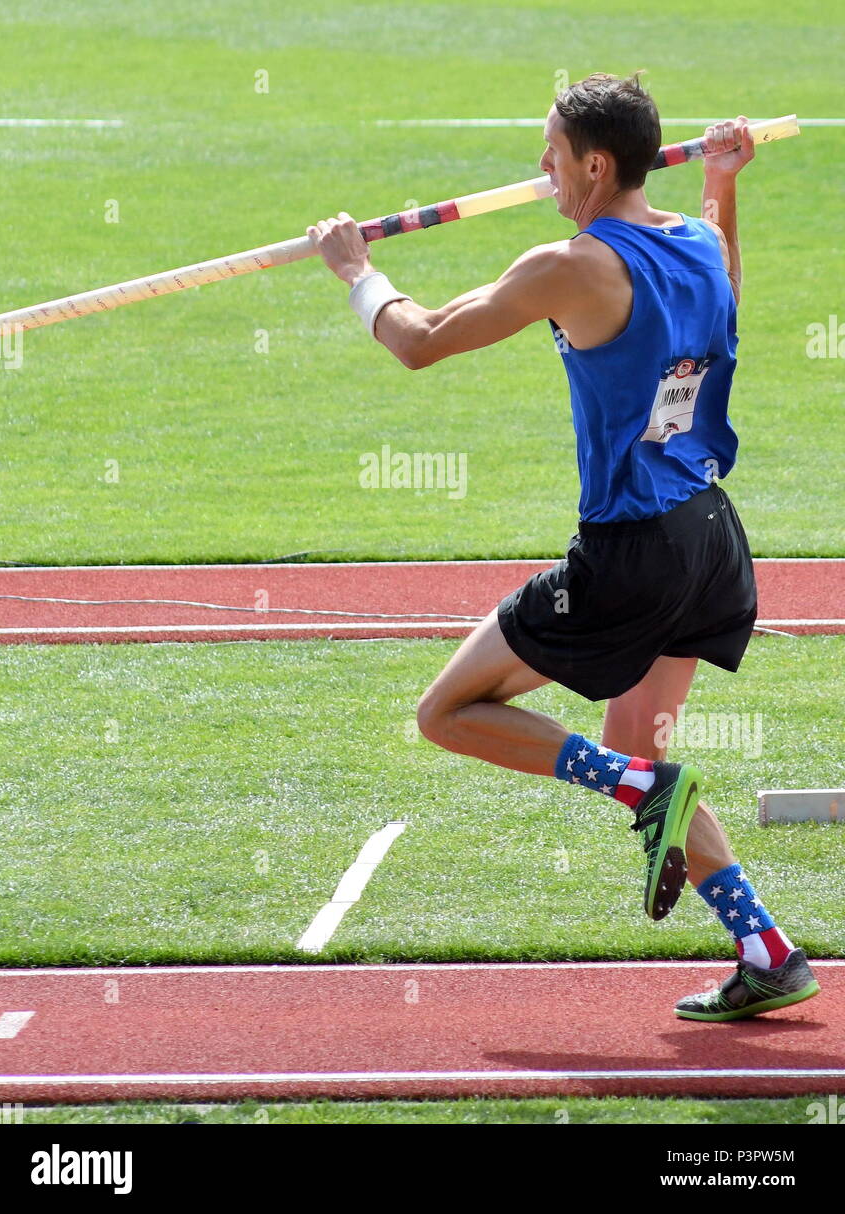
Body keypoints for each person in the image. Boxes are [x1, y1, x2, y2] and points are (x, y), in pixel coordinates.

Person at [307, 73, 819, 1021]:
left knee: (450, 711)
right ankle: (768, 949)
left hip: (630, 556)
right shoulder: (698, 238)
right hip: (711, 539)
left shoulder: (568, 267)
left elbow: (418, 342)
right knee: (635, 738)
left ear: (595, 162)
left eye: (552, 153)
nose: (541, 169)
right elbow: (727, 300)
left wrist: (354, 269)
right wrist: (724, 181)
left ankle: (640, 785)